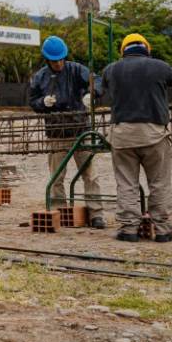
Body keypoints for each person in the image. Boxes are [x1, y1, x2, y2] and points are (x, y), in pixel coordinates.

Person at [102, 34, 172, 243]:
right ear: (146, 48)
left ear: (123, 50)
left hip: (122, 135)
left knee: (126, 183)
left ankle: (129, 229)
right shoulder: (159, 66)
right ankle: (163, 230)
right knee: (159, 183)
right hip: (153, 134)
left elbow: (100, 89)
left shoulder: (111, 69)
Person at [29, 36, 106, 228]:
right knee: (56, 177)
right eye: (55, 60)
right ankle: (60, 212)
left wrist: (92, 93)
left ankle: (96, 214)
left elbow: (96, 80)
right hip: (56, 133)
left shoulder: (77, 69)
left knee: (90, 174)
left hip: (81, 131)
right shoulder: (39, 78)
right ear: (47, 60)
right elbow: (33, 101)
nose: (59, 63)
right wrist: (42, 103)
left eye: (61, 59)